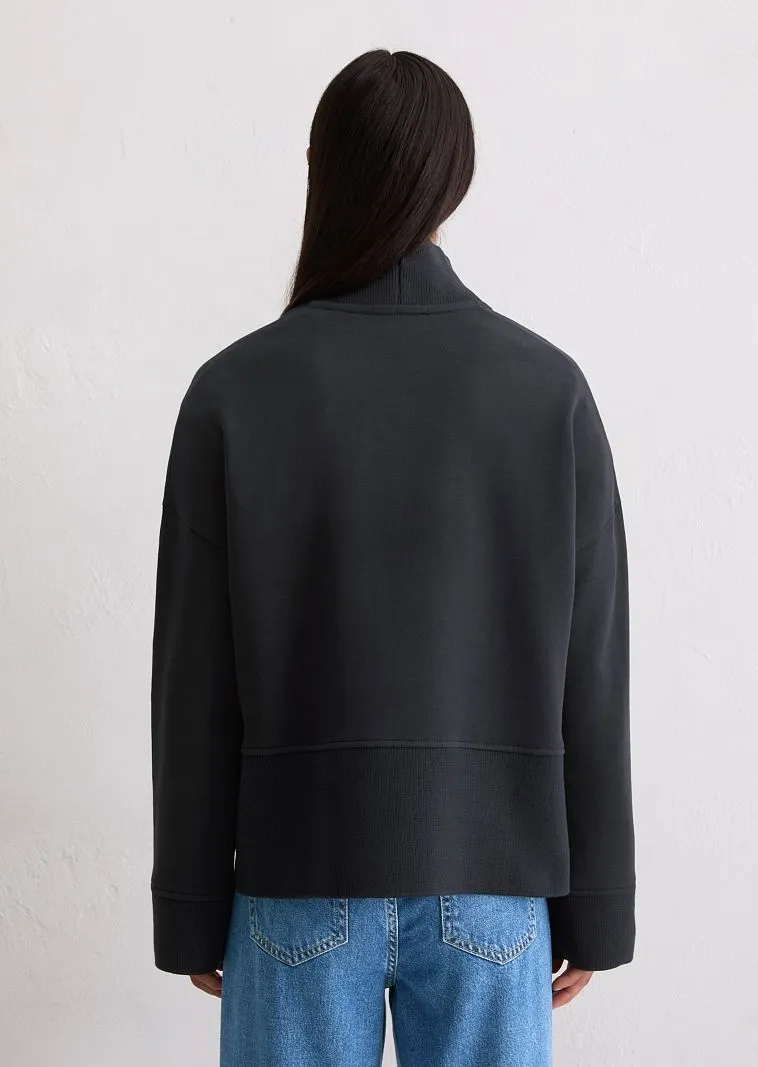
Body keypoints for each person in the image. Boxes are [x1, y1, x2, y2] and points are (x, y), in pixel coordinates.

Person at [150, 48, 635, 1067]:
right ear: (454, 177)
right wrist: (596, 904)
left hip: (294, 876)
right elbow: (589, 670)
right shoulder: (546, 391)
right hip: (493, 880)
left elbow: (193, 676)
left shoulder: (234, 391)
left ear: (321, 168)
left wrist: (191, 905)